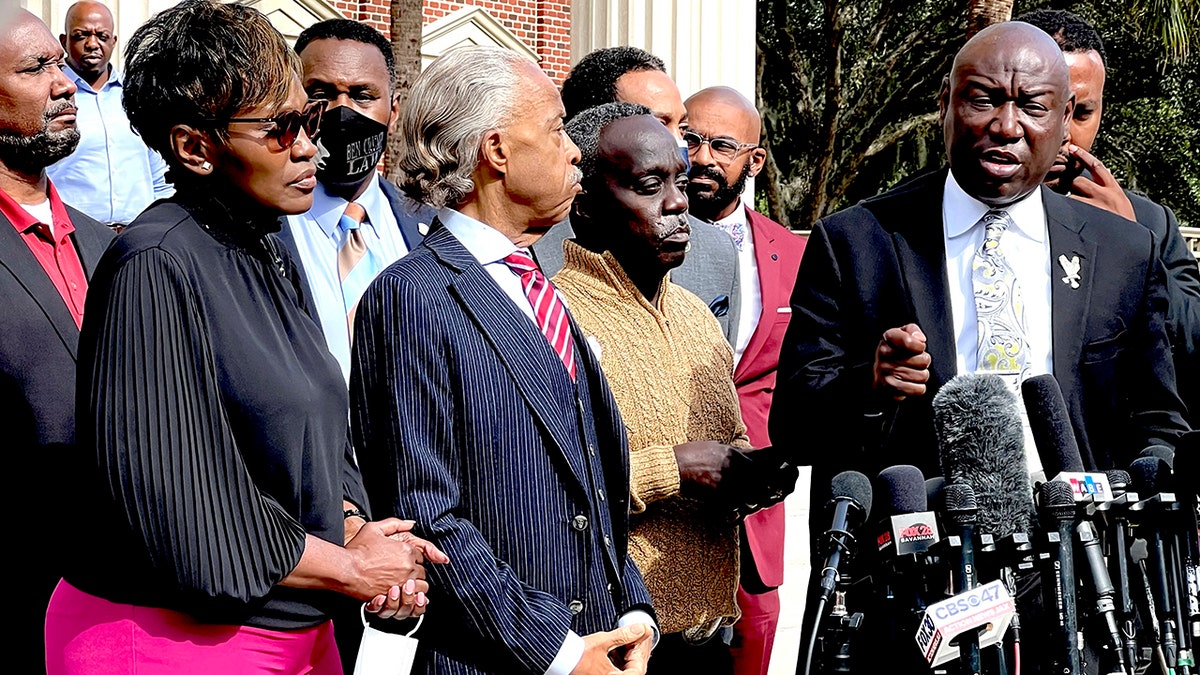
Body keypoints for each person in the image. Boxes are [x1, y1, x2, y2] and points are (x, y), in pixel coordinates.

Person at [48, 3, 443, 672]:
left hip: (293, 629)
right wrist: (350, 566)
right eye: (281, 128)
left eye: (308, 120)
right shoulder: (155, 262)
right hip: (169, 641)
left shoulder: (265, 242)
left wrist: (352, 522)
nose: (309, 146)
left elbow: (311, 426)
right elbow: (187, 508)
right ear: (194, 146)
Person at [351, 46, 657, 675]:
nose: (576, 150)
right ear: (496, 150)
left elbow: (590, 489)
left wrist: (633, 615)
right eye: (554, 129)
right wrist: (559, 653)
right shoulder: (413, 296)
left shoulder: (542, 287)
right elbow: (427, 518)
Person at [551, 101, 796, 673]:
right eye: (649, 185)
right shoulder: (552, 317)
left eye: (679, 181)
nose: (678, 203)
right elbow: (544, 490)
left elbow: (727, 443)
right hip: (611, 644)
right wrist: (677, 469)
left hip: (710, 638)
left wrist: (751, 475)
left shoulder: (693, 313)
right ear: (585, 209)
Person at [1019, 8, 1200, 427]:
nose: (1064, 132)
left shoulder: (1151, 223)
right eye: (1042, 105)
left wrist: (1135, 246)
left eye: (1082, 113)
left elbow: (1191, 352)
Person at [0, 9, 113, 669]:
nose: (64, 83)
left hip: (114, 600)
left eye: (58, 64)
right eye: (35, 68)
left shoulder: (107, 245)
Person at [683, 86, 807, 675]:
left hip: (755, 490)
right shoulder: (631, 240)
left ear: (754, 161)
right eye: (691, 139)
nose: (702, 157)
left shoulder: (792, 252)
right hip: (663, 482)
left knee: (754, 640)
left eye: (722, 145)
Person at [533, 46, 742, 344]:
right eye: (656, 123)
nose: (676, 142)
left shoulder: (717, 250)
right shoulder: (525, 251)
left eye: (681, 127)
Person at [281, 18, 434, 385]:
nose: (342, 110)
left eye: (362, 95)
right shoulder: (258, 231)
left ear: (393, 112)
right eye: (320, 93)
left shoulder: (435, 228)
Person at [46, 1, 171, 227]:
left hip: (137, 235)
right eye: (81, 35)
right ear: (64, 41)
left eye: (102, 36)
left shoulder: (139, 95)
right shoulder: (50, 96)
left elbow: (159, 175)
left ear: (113, 42)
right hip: (73, 238)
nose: (92, 44)